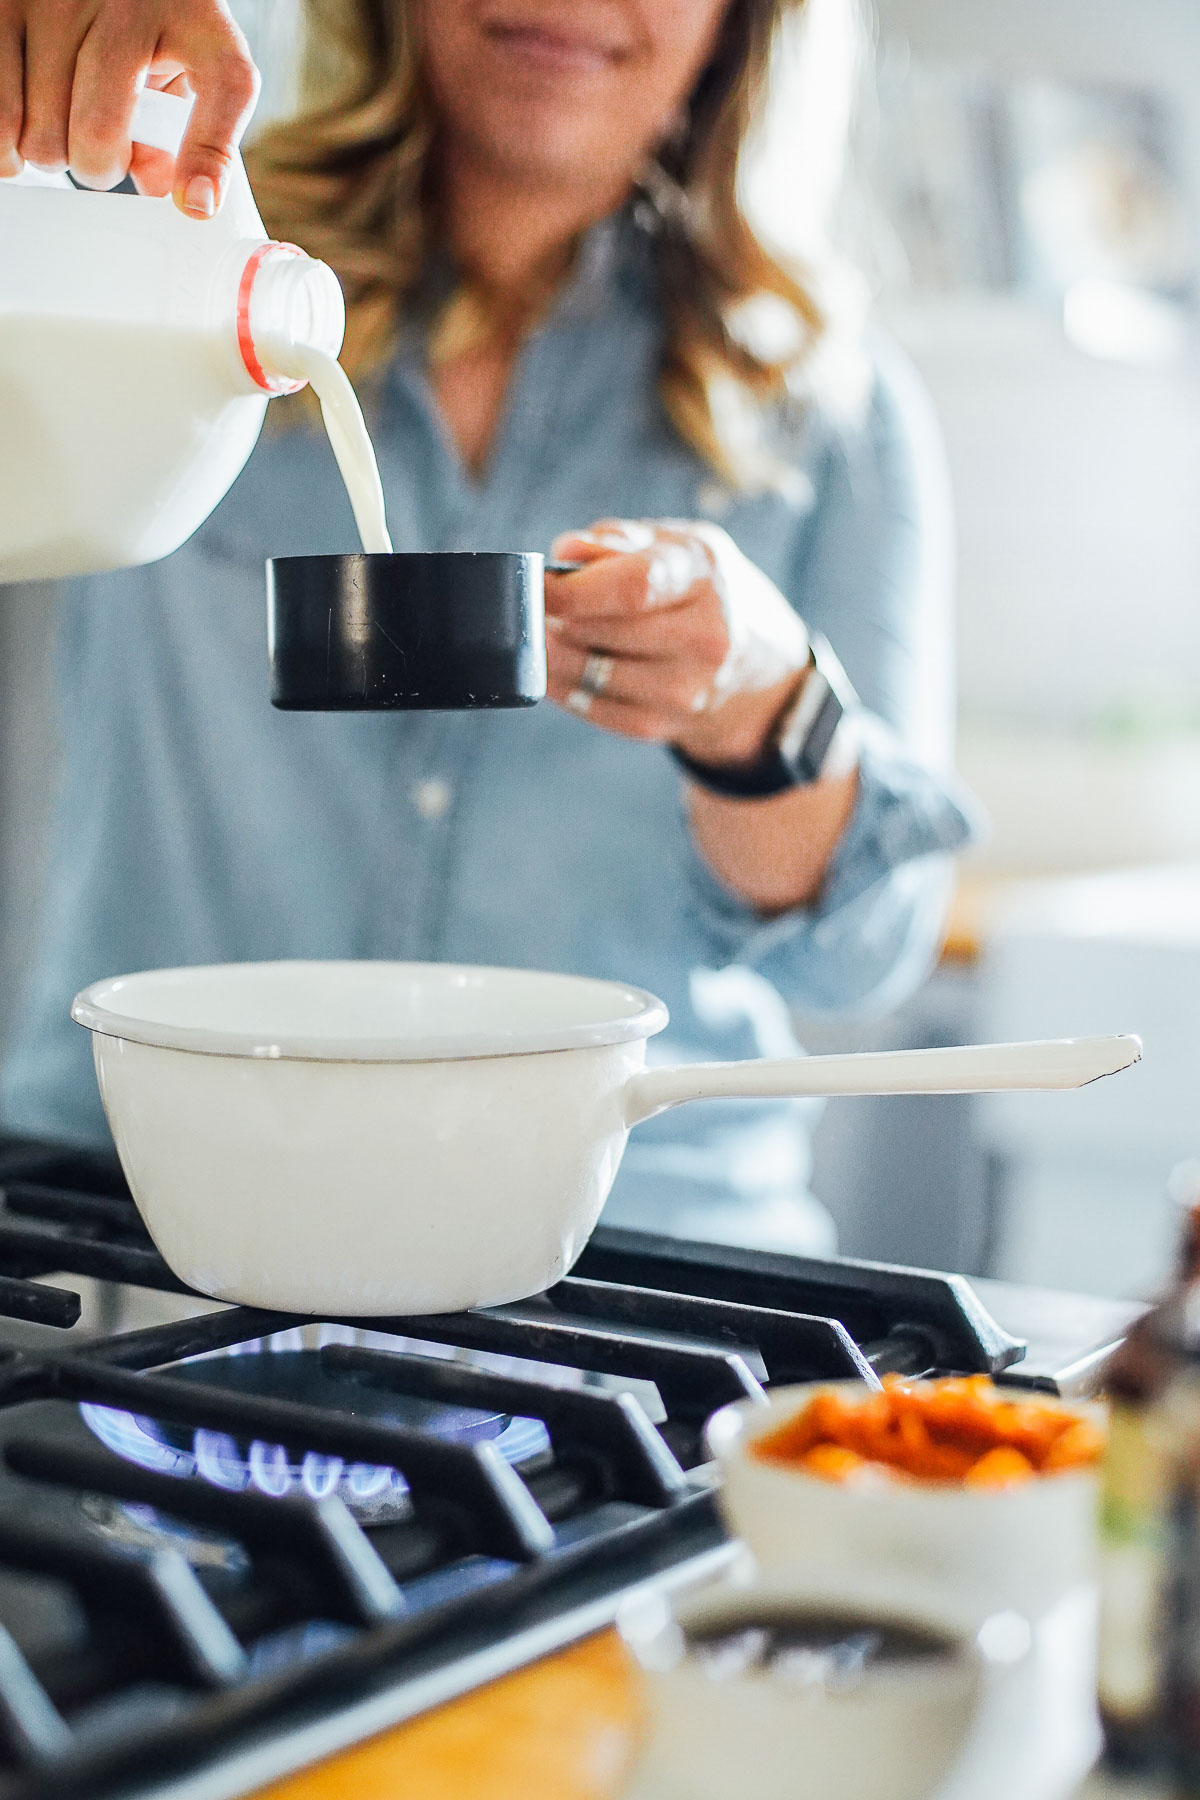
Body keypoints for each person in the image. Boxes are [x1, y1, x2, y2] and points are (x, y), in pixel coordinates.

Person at [0, 0, 977, 1254]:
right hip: (145, 1211)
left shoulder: (830, 408)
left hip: (629, 1251)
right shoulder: (157, 255)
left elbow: (867, 956)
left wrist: (755, 703)